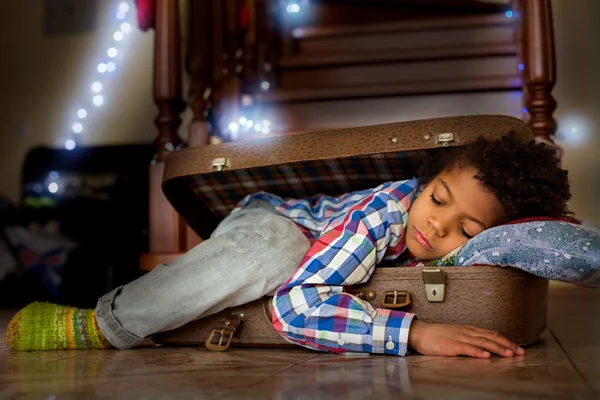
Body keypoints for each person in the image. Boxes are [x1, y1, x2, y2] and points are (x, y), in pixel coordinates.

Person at [5, 132, 571, 358]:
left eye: (469, 232)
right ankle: (100, 324)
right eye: (438, 198)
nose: (439, 228)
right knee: (271, 259)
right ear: (423, 182)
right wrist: (415, 331)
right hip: (275, 220)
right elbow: (294, 306)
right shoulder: (385, 215)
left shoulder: (477, 249)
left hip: (305, 241)